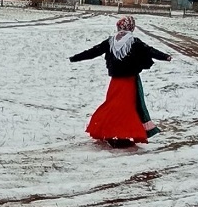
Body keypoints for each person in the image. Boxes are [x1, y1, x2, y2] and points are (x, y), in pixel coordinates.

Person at [69, 16, 172, 148]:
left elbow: (93, 51)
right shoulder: (133, 42)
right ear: (131, 28)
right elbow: (149, 51)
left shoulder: (111, 41)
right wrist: (165, 56)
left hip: (115, 82)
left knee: (112, 105)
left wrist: (75, 58)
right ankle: (120, 135)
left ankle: (111, 132)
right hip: (129, 81)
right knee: (126, 108)